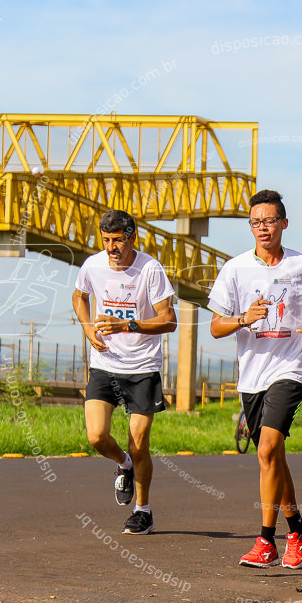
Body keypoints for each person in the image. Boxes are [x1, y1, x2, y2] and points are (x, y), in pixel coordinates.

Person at [208, 189, 302, 569]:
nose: (262, 228)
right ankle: (296, 526)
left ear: (283, 223)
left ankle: (266, 541)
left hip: (292, 369)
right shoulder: (235, 269)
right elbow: (216, 326)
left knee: (266, 450)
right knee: (274, 456)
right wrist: (243, 319)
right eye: (255, 222)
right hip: (252, 375)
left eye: (268, 221)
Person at [71, 209, 177, 535]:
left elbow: (169, 320)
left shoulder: (150, 269)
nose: (111, 248)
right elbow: (79, 296)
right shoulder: (93, 265)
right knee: (96, 436)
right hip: (105, 364)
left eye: (118, 240)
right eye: (106, 240)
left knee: (139, 443)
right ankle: (123, 465)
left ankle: (142, 511)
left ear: (132, 238)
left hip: (143, 367)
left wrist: (127, 324)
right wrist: (88, 328)